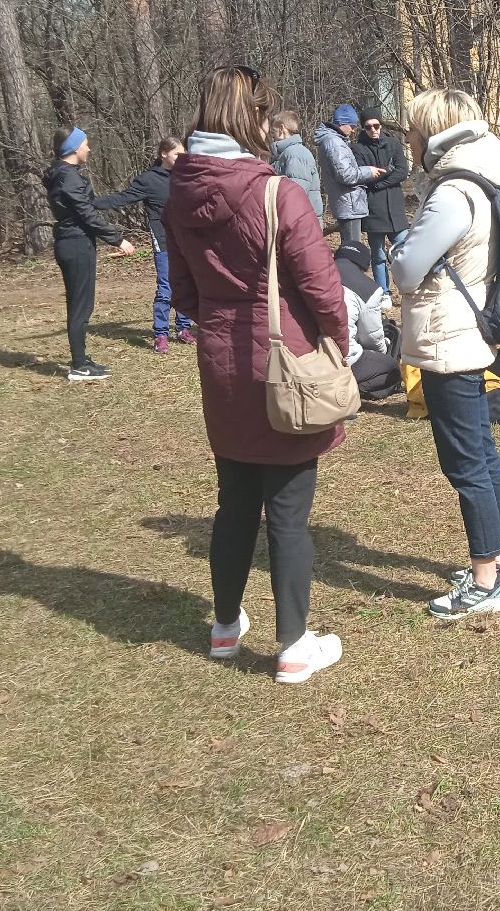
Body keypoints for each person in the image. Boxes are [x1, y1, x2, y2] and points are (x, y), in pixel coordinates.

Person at [164, 65, 347, 685]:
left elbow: (183, 293)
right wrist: (337, 345)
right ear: (255, 119)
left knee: (235, 502)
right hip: (284, 361)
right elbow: (322, 284)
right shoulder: (277, 193)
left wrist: (220, 322)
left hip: (222, 364)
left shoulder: (179, 193)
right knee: (289, 514)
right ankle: (294, 645)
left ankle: (224, 628)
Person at [389, 87, 500, 619]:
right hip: (469, 327)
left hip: (449, 334)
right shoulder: (487, 176)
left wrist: (400, 248)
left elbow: (405, 269)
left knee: (465, 462)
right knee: (483, 452)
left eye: (412, 131)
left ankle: (486, 580)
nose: (408, 141)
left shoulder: (452, 192)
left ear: (432, 130)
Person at [43, 127, 135, 381]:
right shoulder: (67, 177)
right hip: (75, 244)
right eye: (85, 144)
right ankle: (79, 366)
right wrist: (117, 239)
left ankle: (81, 359)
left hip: (75, 242)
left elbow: (86, 208)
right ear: (73, 148)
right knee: (80, 307)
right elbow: (86, 213)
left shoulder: (65, 174)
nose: (89, 148)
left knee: (80, 304)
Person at [93, 136, 196, 353]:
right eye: (177, 154)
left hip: (187, 241)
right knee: (166, 289)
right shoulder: (148, 180)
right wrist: (89, 203)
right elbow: (121, 198)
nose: (182, 157)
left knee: (187, 285)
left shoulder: (186, 176)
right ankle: (160, 334)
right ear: (163, 154)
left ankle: (184, 328)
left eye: (184, 153)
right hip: (164, 241)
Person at [351, 106, 410, 294]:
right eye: (368, 127)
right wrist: (386, 173)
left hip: (395, 206)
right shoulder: (358, 149)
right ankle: (383, 292)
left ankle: (407, 287)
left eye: (376, 125)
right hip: (373, 208)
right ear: (363, 128)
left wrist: (379, 182)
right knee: (378, 255)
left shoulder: (393, 144)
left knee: (404, 250)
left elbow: (402, 172)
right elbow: (364, 176)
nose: (373, 130)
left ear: (381, 125)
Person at [335, 240, 400, 399]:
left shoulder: (315, 273)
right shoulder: (368, 288)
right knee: (392, 369)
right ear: (363, 266)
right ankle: (345, 391)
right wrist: (384, 351)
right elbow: (371, 338)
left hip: (304, 356)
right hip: (341, 357)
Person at [313, 103, 382, 247]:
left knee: (350, 249)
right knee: (352, 250)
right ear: (342, 123)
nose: (354, 129)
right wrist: (368, 171)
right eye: (351, 125)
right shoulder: (334, 142)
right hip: (348, 204)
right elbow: (345, 174)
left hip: (348, 203)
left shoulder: (333, 140)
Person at [269, 111, 324, 215]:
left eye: (273, 132)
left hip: (301, 222)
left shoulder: (295, 154)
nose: (272, 137)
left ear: (282, 129)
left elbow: (296, 195)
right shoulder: (286, 154)